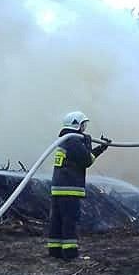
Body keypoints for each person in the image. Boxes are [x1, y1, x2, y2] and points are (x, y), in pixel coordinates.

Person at [47, 111, 111, 261]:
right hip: (70, 188)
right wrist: (89, 143)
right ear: (77, 125)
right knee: (70, 220)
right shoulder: (74, 141)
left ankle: (55, 251)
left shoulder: (65, 140)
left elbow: (83, 158)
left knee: (57, 220)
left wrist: (101, 147)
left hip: (58, 188)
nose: (85, 128)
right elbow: (87, 160)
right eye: (83, 125)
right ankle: (70, 253)